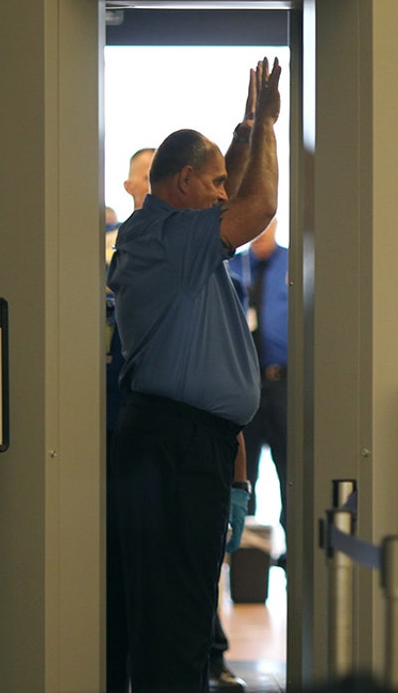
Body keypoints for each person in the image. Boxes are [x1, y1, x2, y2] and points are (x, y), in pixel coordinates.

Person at [107, 57, 280, 693]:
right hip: (172, 449)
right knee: (174, 623)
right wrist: (265, 127)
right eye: (210, 184)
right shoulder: (167, 238)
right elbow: (257, 202)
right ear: (181, 183)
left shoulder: (175, 232)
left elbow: (235, 191)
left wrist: (243, 130)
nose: (219, 195)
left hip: (189, 445)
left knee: (177, 614)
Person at [230, 217, 291, 557]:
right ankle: (243, 556)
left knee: (289, 471)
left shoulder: (292, 264)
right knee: (243, 471)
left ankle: (291, 554)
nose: (262, 231)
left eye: (268, 224)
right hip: (245, 382)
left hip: (282, 381)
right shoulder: (234, 265)